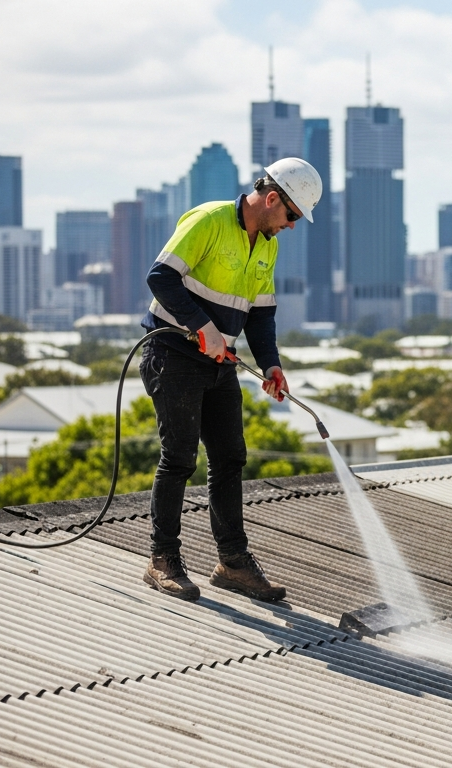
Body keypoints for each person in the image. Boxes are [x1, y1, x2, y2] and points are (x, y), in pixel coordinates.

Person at [138, 157, 323, 602]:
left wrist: (272, 364)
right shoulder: (209, 220)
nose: (292, 226)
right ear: (273, 197)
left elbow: (260, 316)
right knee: (179, 458)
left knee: (229, 458)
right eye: (292, 215)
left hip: (217, 364)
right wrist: (202, 327)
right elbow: (160, 277)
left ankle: (232, 563)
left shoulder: (268, 245)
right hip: (172, 354)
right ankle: (162, 560)